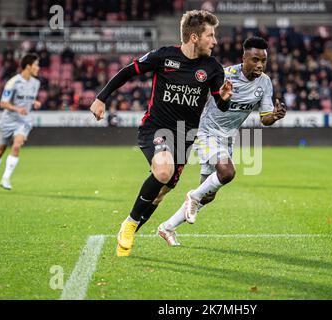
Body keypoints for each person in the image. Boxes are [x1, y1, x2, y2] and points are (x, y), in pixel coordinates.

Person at [90, 10, 233, 257]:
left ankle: (128, 235)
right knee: (163, 171)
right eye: (210, 35)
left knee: (160, 192)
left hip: (184, 137)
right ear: (194, 37)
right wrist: (101, 98)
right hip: (156, 128)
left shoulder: (212, 67)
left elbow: (220, 103)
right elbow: (127, 71)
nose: (215, 41)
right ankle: (130, 223)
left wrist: (225, 99)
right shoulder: (164, 56)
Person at [158, 36, 286, 246]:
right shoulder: (224, 75)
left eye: (263, 60)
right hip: (206, 132)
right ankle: (192, 196)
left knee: (208, 195)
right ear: (243, 57)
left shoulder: (265, 82)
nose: (260, 65)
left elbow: (265, 119)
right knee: (227, 172)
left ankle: (167, 227)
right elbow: (195, 95)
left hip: (227, 138)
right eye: (255, 59)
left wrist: (276, 115)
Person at [0, 53, 41, 192]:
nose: (38, 68)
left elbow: (27, 98)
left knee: (16, 146)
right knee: (0, 150)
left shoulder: (36, 83)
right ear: (28, 66)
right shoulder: (13, 82)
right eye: (36, 65)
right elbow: (3, 103)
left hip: (24, 121)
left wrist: (34, 102)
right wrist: (17, 108)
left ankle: (6, 178)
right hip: (8, 120)